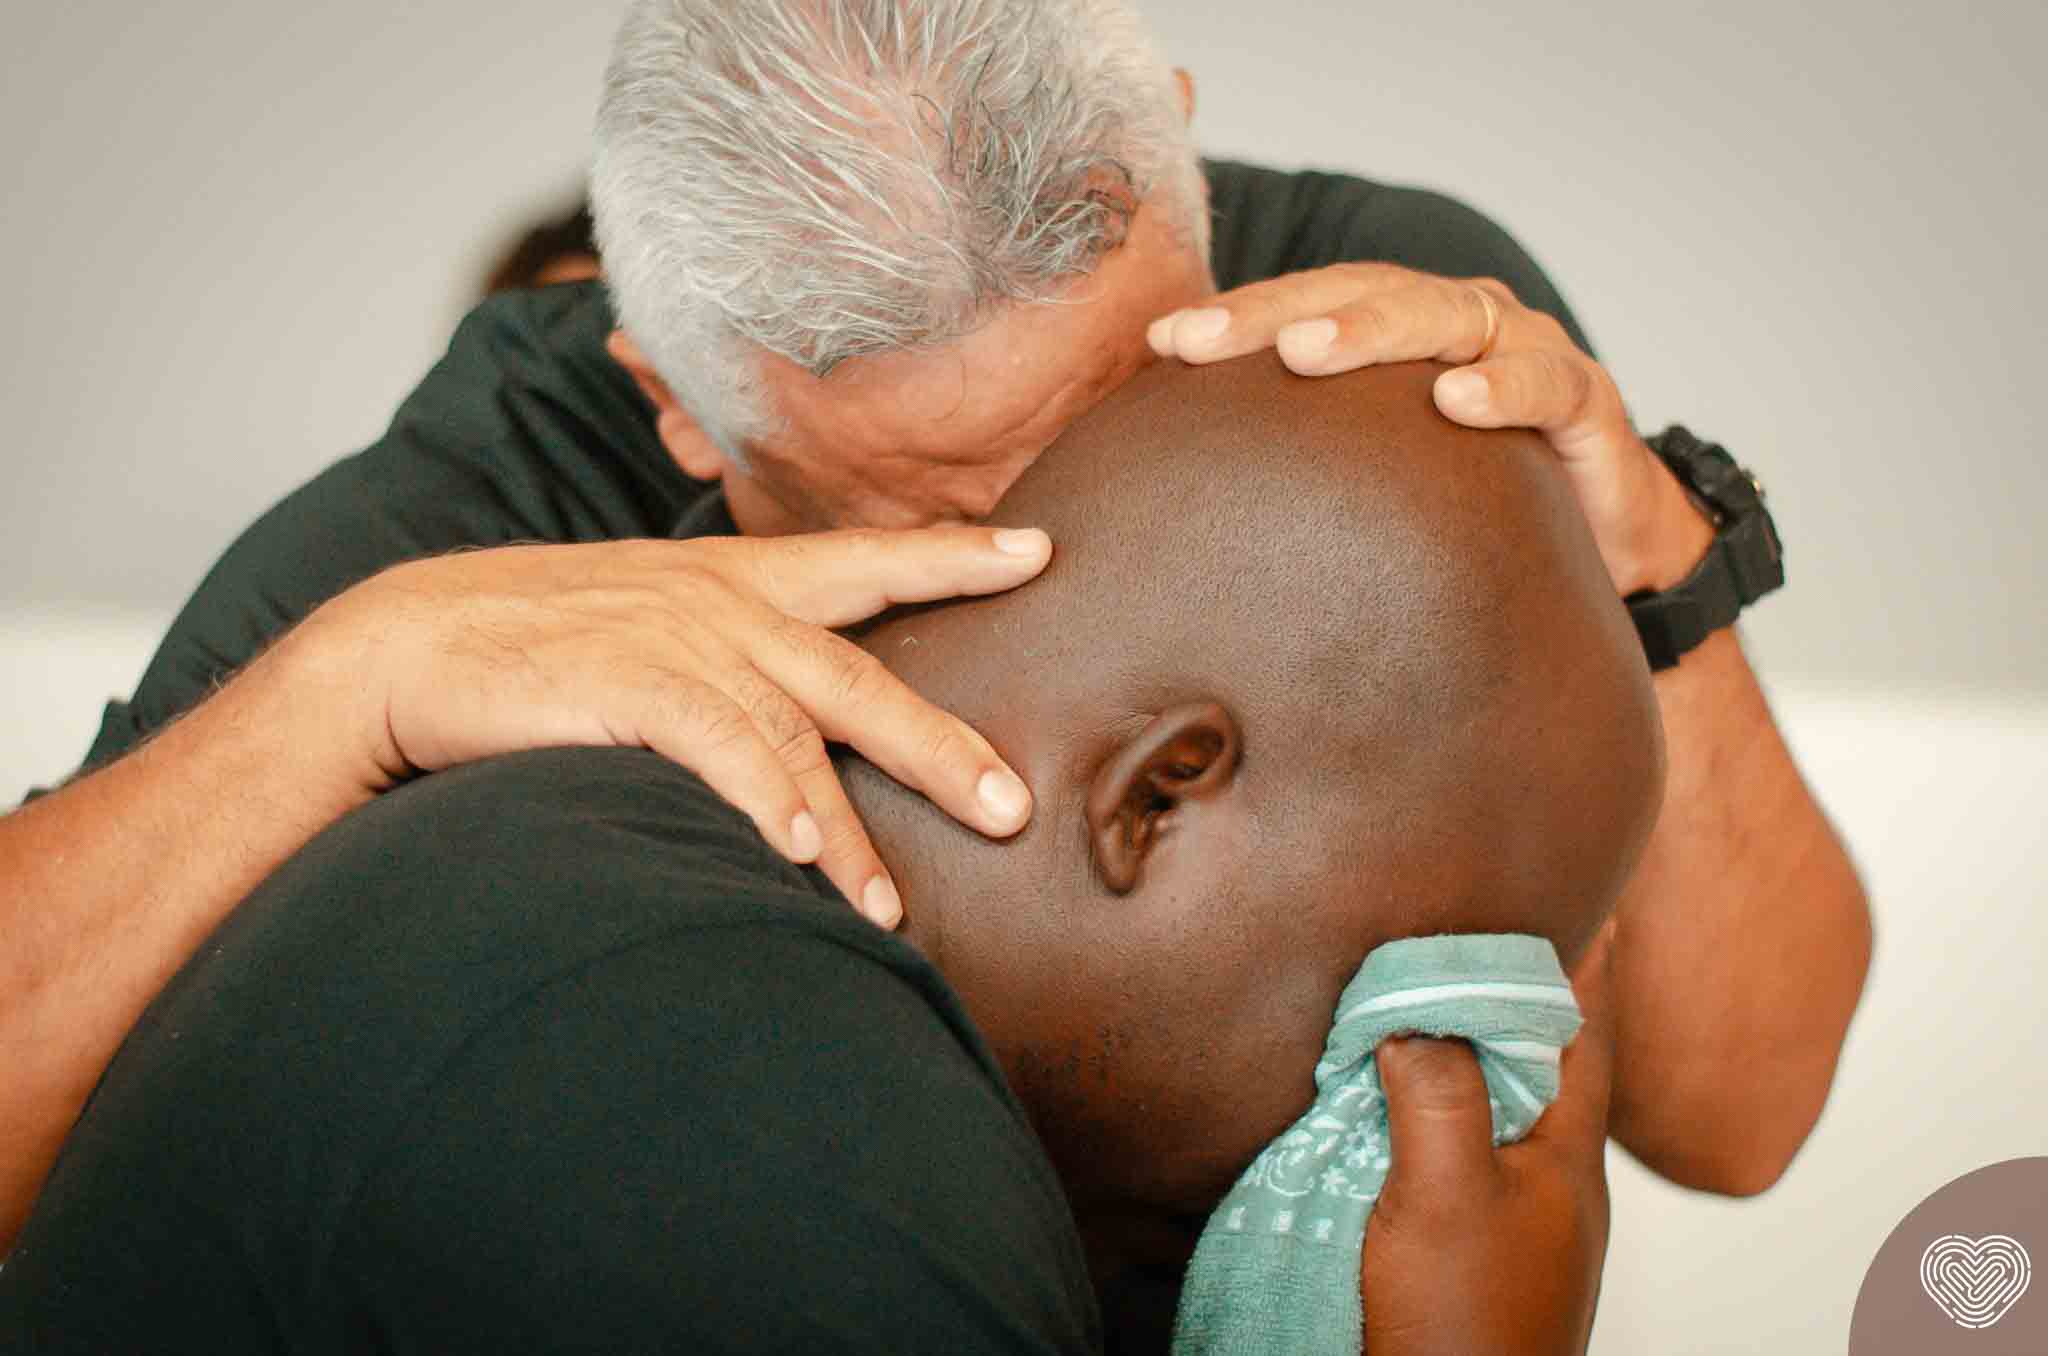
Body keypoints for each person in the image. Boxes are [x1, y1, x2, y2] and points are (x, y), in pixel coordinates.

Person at [0, 0, 1869, 1256]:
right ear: (678, 409)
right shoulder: (497, 490)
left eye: (1129, 423)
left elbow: (1744, 1115)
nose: (1078, 563)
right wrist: (353, 682)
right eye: (952, 525)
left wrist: (1657, 552)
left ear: (1184, 173)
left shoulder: (1392, 325)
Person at [0, 354, 1653, 1354]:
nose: (1411, 1155)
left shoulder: (668, 905)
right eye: (1421, 1031)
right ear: (1155, 798)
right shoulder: (737, 1090)